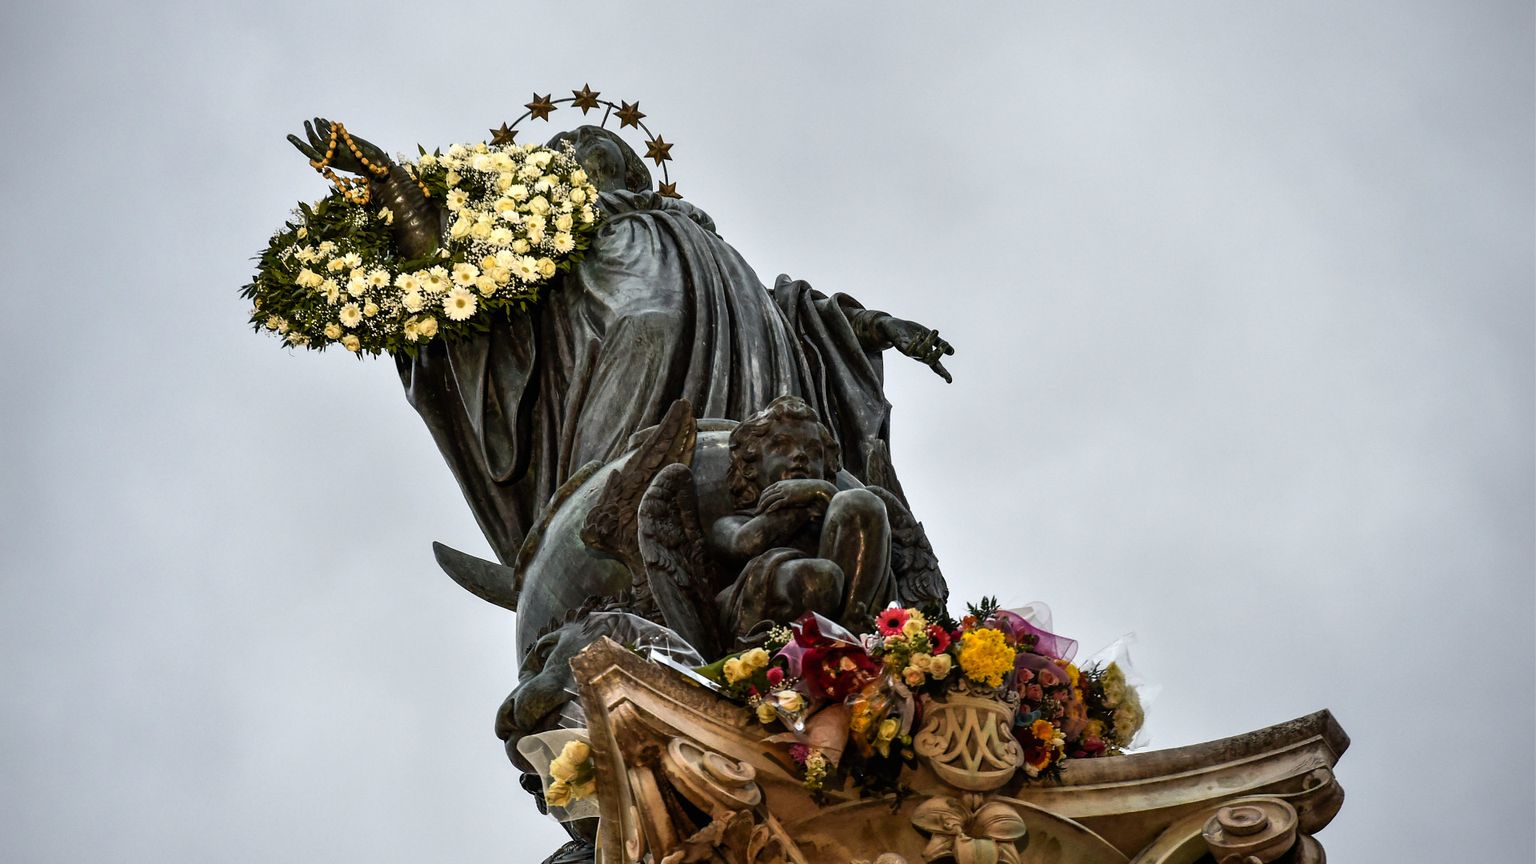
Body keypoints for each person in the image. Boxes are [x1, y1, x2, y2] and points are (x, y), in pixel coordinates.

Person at [289, 120, 954, 566]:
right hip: (621, 363)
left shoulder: (695, 232)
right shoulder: (553, 240)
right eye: (567, 153)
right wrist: (393, 187)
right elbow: (456, 290)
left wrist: (876, 327)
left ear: (633, 170)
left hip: (755, 398)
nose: (579, 149)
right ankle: (611, 535)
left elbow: (794, 314)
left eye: (595, 146)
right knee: (621, 479)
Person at [710, 396, 892, 641]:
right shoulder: (731, 522)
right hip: (759, 606)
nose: (800, 456)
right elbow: (744, 544)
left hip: (832, 608)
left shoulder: (836, 517)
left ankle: (852, 635)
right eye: (782, 446)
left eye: (813, 451)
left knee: (863, 502)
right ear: (750, 467)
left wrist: (824, 493)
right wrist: (807, 502)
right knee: (818, 577)